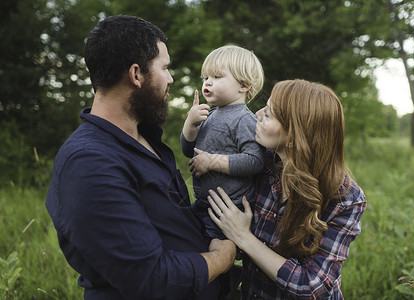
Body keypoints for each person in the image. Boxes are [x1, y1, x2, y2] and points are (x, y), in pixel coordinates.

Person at [45, 15, 236, 299]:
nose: (170, 78)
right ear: (136, 74)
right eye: (165, 68)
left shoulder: (146, 139)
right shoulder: (89, 162)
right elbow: (150, 278)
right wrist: (222, 259)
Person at [206, 79, 367, 299]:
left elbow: (311, 285)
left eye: (269, 114)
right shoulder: (262, 165)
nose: (257, 114)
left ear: (293, 137)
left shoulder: (345, 197)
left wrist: (244, 237)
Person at [181, 45, 265, 240]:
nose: (208, 83)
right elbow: (188, 150)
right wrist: (190, 124)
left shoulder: (244, 119)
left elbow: (255, 160)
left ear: (244, 85)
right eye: (206, 78)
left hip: (229, 209)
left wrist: (212, 162)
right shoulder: (209, 115)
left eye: (217, 77)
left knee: (214, 253)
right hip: (204, 204)